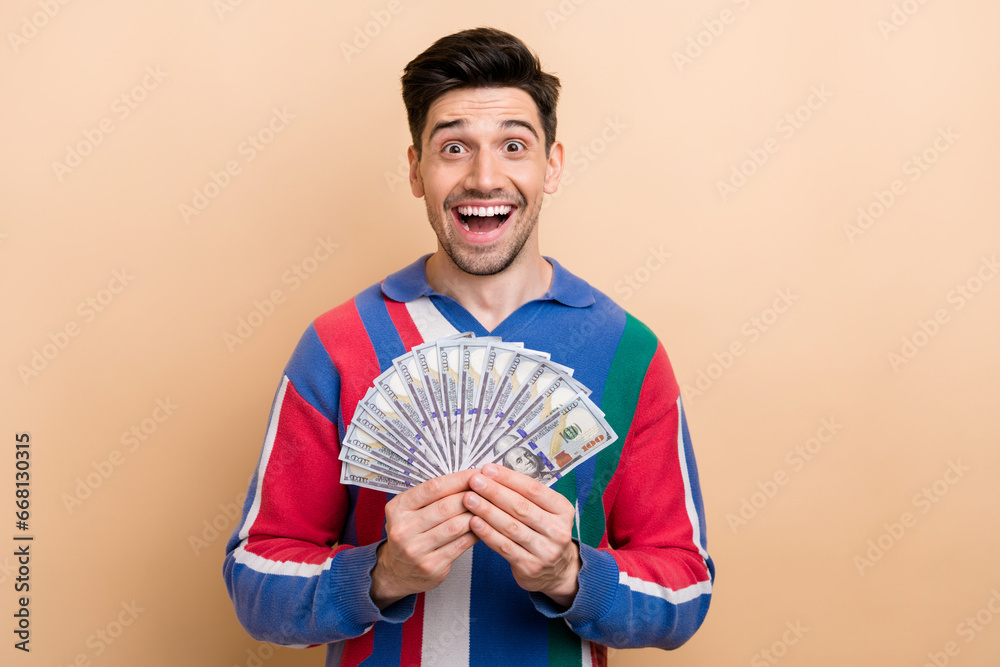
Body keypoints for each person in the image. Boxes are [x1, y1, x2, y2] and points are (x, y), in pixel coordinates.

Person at [223, 26, 714, 667]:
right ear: (415, 170)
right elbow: (255, 585)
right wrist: (380, 574)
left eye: (514, 145)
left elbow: (686, 588)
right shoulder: (337, 345)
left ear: (552, 165)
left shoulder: (628, 352)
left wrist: (570, 573)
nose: (485, 177)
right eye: (454, 147)